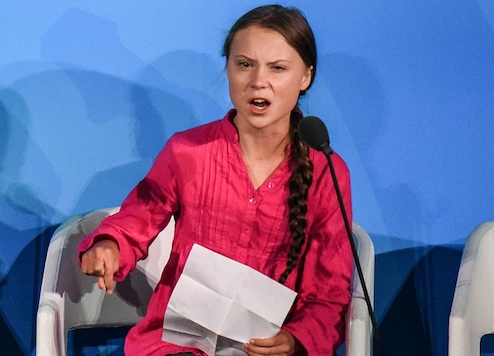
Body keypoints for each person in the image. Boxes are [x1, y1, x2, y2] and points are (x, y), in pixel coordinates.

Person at [78, 4, 353, 356]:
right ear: (227, 69)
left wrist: (296, 340)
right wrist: (109, 245)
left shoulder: (326, 170)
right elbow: (137, 219)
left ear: (305, 77)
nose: (258, 81)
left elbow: (329, 293)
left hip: (269, 349)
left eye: (278, 68)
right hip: (179, 346)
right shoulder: (188, 151)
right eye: (244, 64)